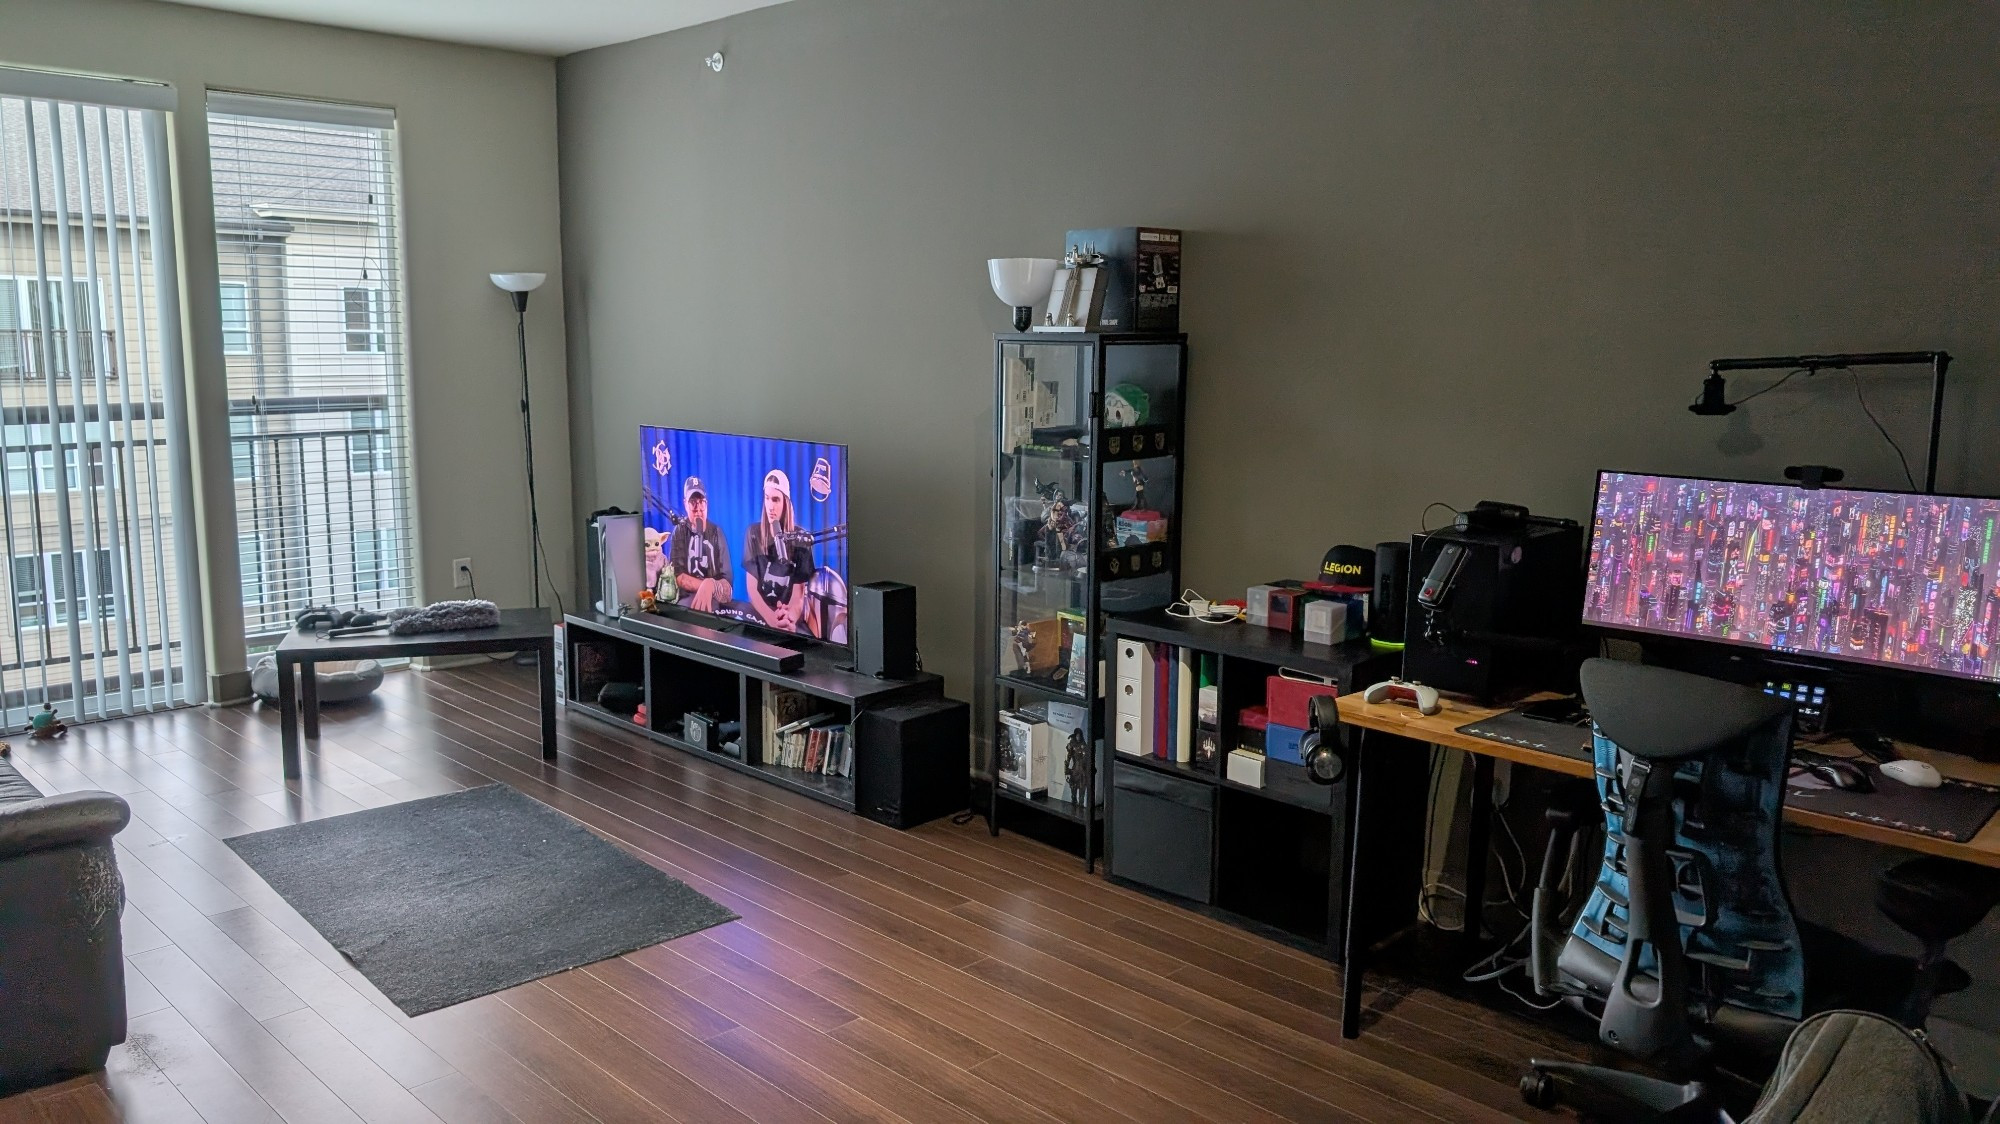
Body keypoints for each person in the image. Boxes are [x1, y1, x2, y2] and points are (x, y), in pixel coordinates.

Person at [745, 468, 816, 633]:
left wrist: (788, 619)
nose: (770, 506)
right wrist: (772, 620)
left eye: (775, 500)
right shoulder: (753, 533)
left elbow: (799, 596)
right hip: (761, 616)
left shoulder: (801, 538)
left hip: (788, 618)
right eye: (767, 498)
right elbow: (752, 589)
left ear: (785, 502)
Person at [667, 476, 733, 612]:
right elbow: (678, 576)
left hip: (714, 601)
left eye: (701, 502)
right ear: (685, 504)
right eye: (693, 502)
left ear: (707, 504)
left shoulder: (716, 533)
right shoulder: (680, 531)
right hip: (685, 599)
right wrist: (705, 586)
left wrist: (711, 586)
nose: (698, 508)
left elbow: (728, 589)